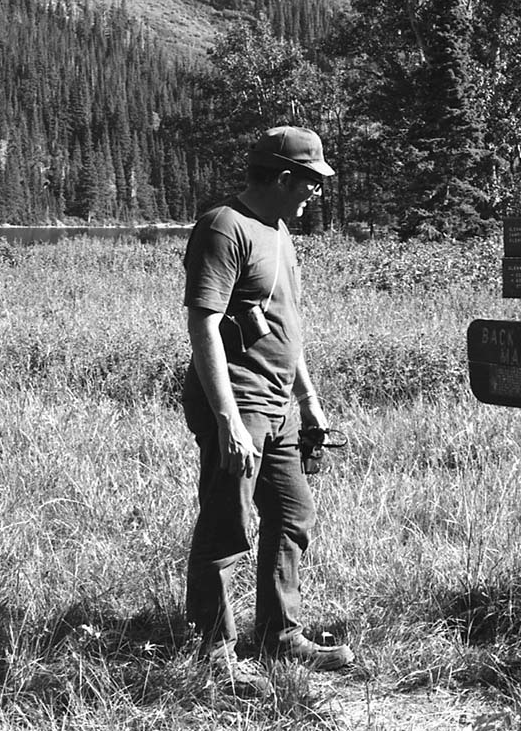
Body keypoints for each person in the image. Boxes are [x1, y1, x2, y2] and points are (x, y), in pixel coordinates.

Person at [181, 126, 354, 697]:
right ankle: (216, 655)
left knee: (292, 514)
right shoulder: (223, 227)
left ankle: (280, 635)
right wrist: (228, 417)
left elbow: (288, 330)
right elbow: (203, 323)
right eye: (310, 181)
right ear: (283, 177)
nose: (316, 192)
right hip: (239, 400)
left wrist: (310, 402)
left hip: (279, 404)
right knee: (227, 525)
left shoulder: (279, 231)